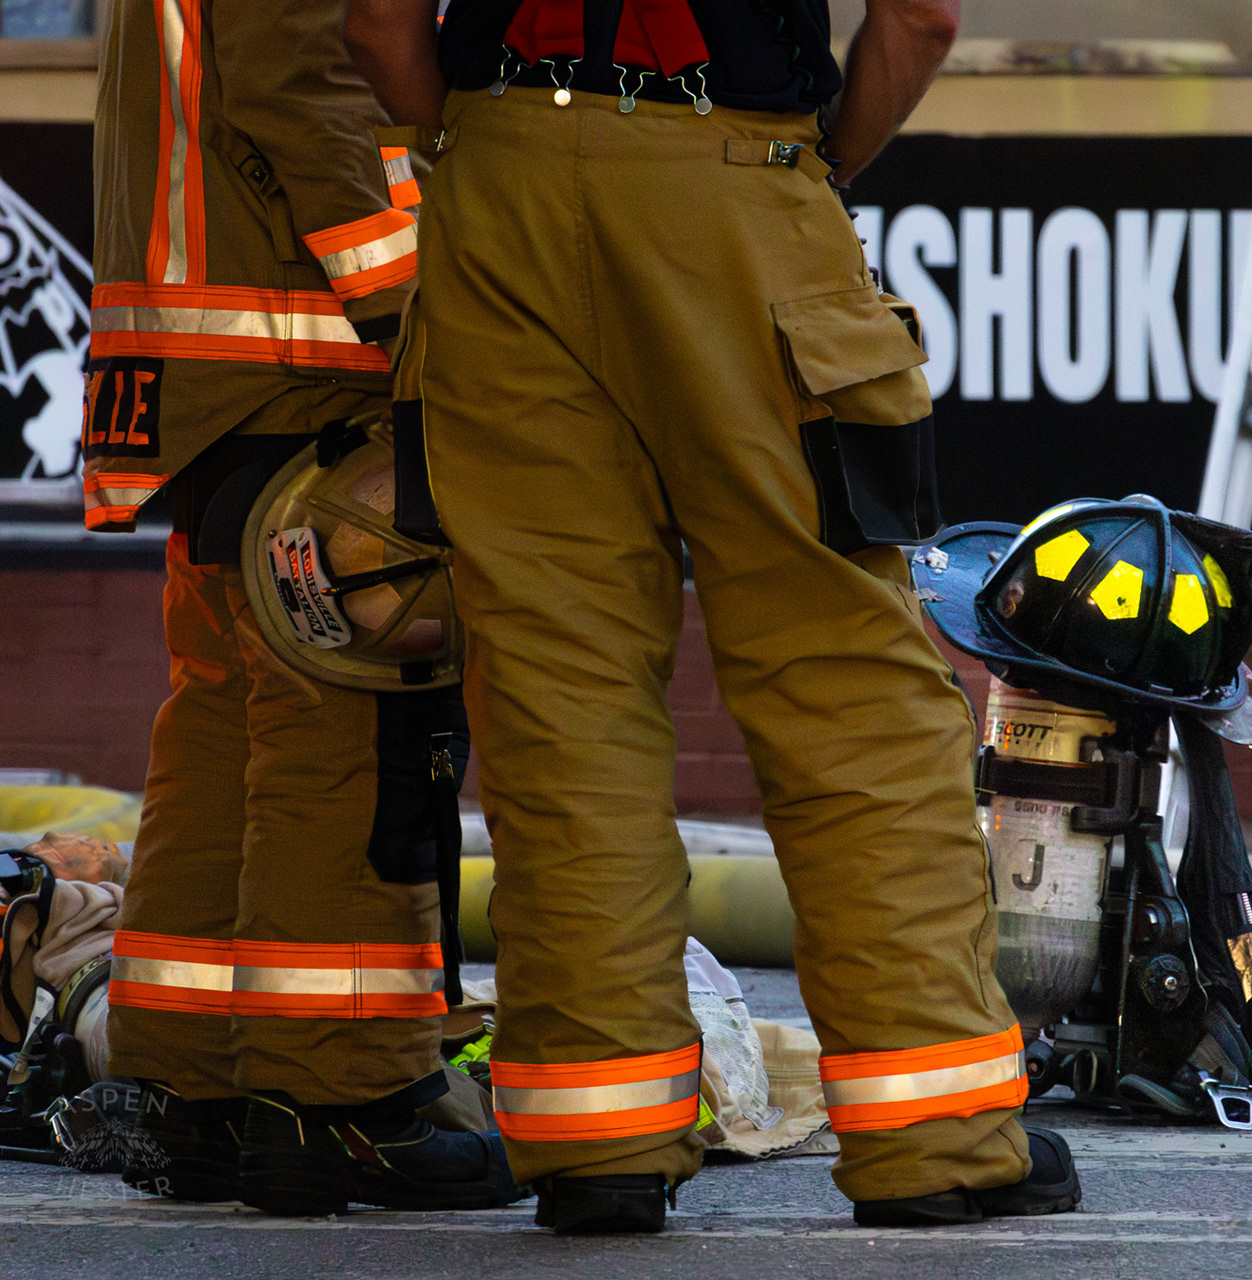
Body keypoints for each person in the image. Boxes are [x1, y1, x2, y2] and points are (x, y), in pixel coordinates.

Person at [344, 0, 1081, 1233]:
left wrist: (481, 138)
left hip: (497, 199)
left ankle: (600, 1139)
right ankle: (934, 1139)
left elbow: (375, 23)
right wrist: (810, 163)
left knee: (556, 694)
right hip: (736, 176)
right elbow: (921, 19)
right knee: (844, 690)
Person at [88, 0, 519, 1214]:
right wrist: (427, 325)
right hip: (309, 365)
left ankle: (194, 1087)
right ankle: (343, 1103)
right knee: (354, 735)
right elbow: (309, 90)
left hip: (213, 379)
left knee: (225, 726)